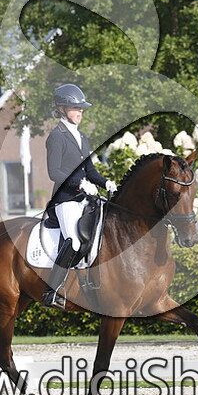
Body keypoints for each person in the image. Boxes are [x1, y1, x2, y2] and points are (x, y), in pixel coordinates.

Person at [42, 83, 117, 309]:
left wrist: (106, 183)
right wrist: (80, 183)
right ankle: (52, 292)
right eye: (76, 109)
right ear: (62, 109)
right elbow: (54, 172)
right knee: (73, 241)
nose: (80, 113)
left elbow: (90, 171)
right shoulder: (56, 136)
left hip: (85, 199)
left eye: (81, 109)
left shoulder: (82, 137)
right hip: (65, 200)